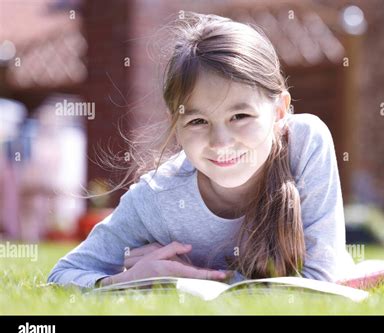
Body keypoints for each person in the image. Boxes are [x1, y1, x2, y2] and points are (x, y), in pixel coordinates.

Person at [47, 12, 354, 288]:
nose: (220, 142)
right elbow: (64, 274)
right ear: (175, 125)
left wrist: (191, 277)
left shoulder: (305, 141)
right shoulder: (157, 197)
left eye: (240, 116)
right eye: (197, 121)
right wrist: (128, 279)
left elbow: (320, 283)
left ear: (279, 111)